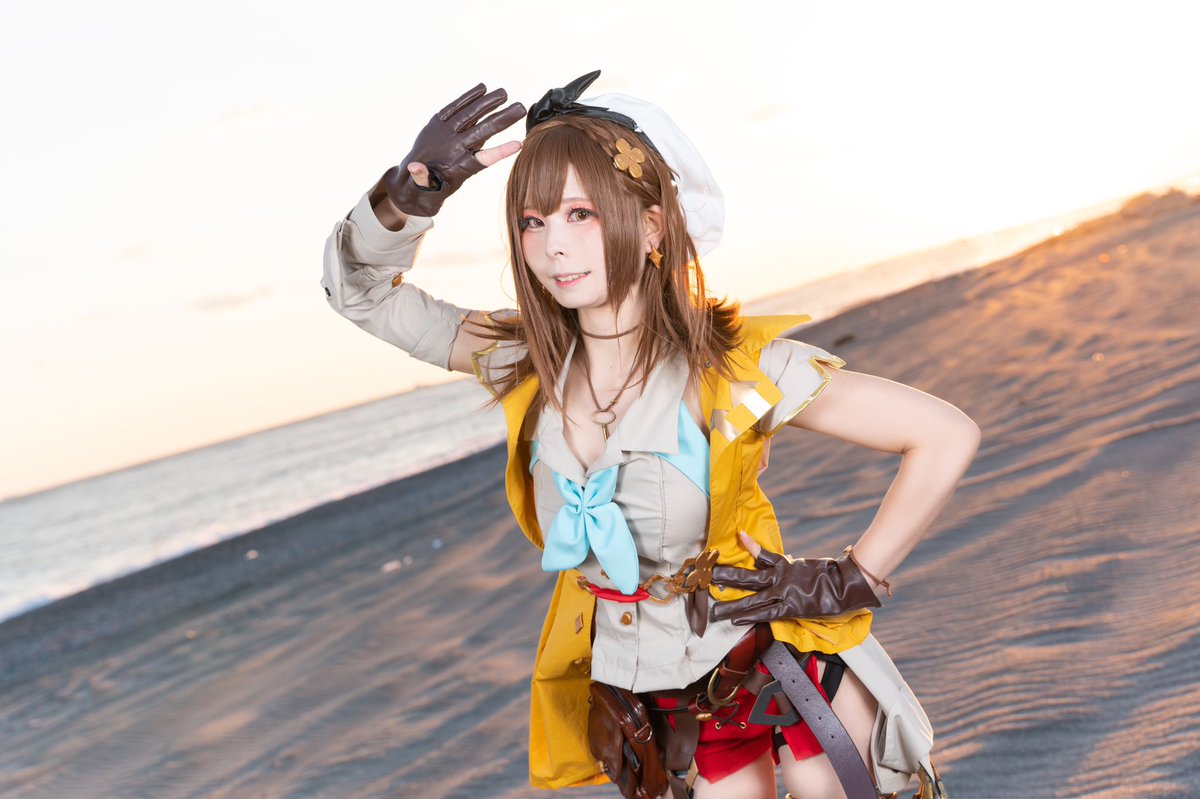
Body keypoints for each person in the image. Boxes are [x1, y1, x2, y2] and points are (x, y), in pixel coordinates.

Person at [321, 71, 980, 799]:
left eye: (580, 213)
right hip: (658, 704)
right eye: (532, 221)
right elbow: (360, 294)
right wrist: (411, 196)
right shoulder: (522, 361)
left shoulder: (734, 370)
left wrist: (847, 578)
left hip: (778, 671)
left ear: (652, 226)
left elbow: (943, 434)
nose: (553, 246)